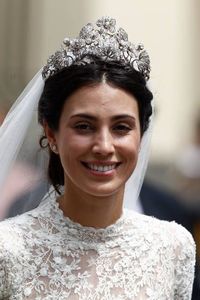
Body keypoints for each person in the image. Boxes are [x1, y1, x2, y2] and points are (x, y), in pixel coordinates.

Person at [0, 17, 195, 299]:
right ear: (51, 135)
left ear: (141, 136)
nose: (104, 146)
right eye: (84, 126)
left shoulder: (174, 247)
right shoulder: (8, 250)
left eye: (121, 127)